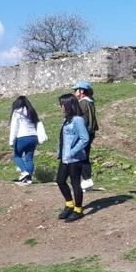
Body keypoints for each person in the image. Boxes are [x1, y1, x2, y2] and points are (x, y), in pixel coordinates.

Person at [56, 94, 90, 222]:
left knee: (75, 183)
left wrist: (72, 151)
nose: (61, 107)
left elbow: (85, 138)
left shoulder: (77, 120)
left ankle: (78, 209)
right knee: (60, 180)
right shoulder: (67, 119)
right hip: (65, 158)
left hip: (75, 159)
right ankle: (69, 204)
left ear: (69, 105)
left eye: (62, 105)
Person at [9, 96, 40, 184]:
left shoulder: (17, 112)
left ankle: (24, 172)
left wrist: (11, 141)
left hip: (22, 137)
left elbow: (14, 127)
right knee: (29, 158)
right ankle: (29, 178)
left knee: (17, 155)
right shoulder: (32, 111)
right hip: (33, 137)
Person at [73, 82, 99, 191]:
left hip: (84, 132)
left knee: (81, 156)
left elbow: (81, 119)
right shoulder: (90, 102)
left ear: (82, 91)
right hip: (89, 132)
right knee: (84, 156)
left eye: (76, 90)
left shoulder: (83, 103)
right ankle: (86, 181)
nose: (74, 92)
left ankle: (86, 180)